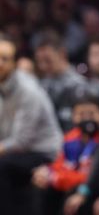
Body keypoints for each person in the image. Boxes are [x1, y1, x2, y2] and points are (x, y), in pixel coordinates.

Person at [0, 35, 63, 215]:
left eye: (5, 59)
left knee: (2, 166)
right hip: (14, 151)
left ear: (15, 63)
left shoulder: (28, 91)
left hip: (44, 151)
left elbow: (22, 141)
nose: (0, 63)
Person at [31, 87, 99, 215]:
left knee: (75, 193)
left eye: (92, 114)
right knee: (43, 185)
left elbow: (91, 176)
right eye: (81, 114)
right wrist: (47, 172)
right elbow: (60, 164)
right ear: (73, 117)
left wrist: (58, 178)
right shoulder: (70, 138)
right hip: (71, 183)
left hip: (94, 188)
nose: (87, 119)